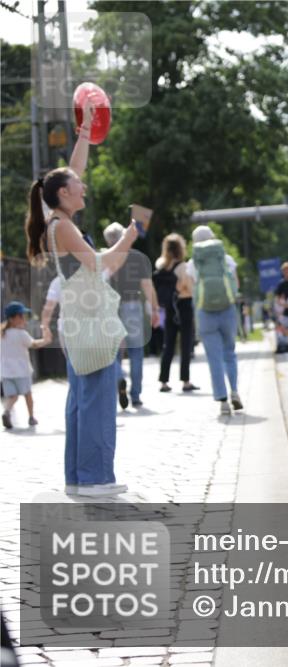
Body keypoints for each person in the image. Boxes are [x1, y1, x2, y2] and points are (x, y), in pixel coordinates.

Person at [25, 98, 140, 496]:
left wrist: (85, 131)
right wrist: (131, 233)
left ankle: (79, 477)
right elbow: (99, 263)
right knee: (97, 399)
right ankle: (94, 479)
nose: (84, 185)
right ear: (62, 195)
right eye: (78, 186)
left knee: (82, 398)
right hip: (89, 319)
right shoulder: (63, 227)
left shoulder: (56, 218)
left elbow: (73, 169)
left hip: (76, 319)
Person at [103, 222, 159, 409]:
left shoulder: (105, 258)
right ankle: (136, 395)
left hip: (110, 308)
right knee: (136, 351)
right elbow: (147, 286)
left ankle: (119, 378)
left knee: (113, 352)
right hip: (132, 305)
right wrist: (155, 310)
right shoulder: (137, 258)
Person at [188, 225, 243, 416]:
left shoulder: (192, 262)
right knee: (230, 352)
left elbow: (191, 289)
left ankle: (222, 401)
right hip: (227, 309)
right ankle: (234, 391)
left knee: (214, 358)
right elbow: (235, 284)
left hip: (205, 312)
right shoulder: (225, 258)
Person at [154, 233, 198, 393]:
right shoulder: (183, 267)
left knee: (168, 345)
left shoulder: (161, 266)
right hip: (183, 306)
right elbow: (188, 288)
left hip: (169, 307)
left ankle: (164, 381)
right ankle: (185, 381)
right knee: (186, 344)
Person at [2, 302, 51, 429]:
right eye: (21, 316)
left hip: (5, 372)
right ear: (12, 319)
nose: (24, 319)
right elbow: (33, 344)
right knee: (27, 394)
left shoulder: (2, 334)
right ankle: (31, 417)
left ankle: (6, 411)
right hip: (22, 371)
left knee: (12, 396)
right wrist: (45, 340)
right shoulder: (21, 334)